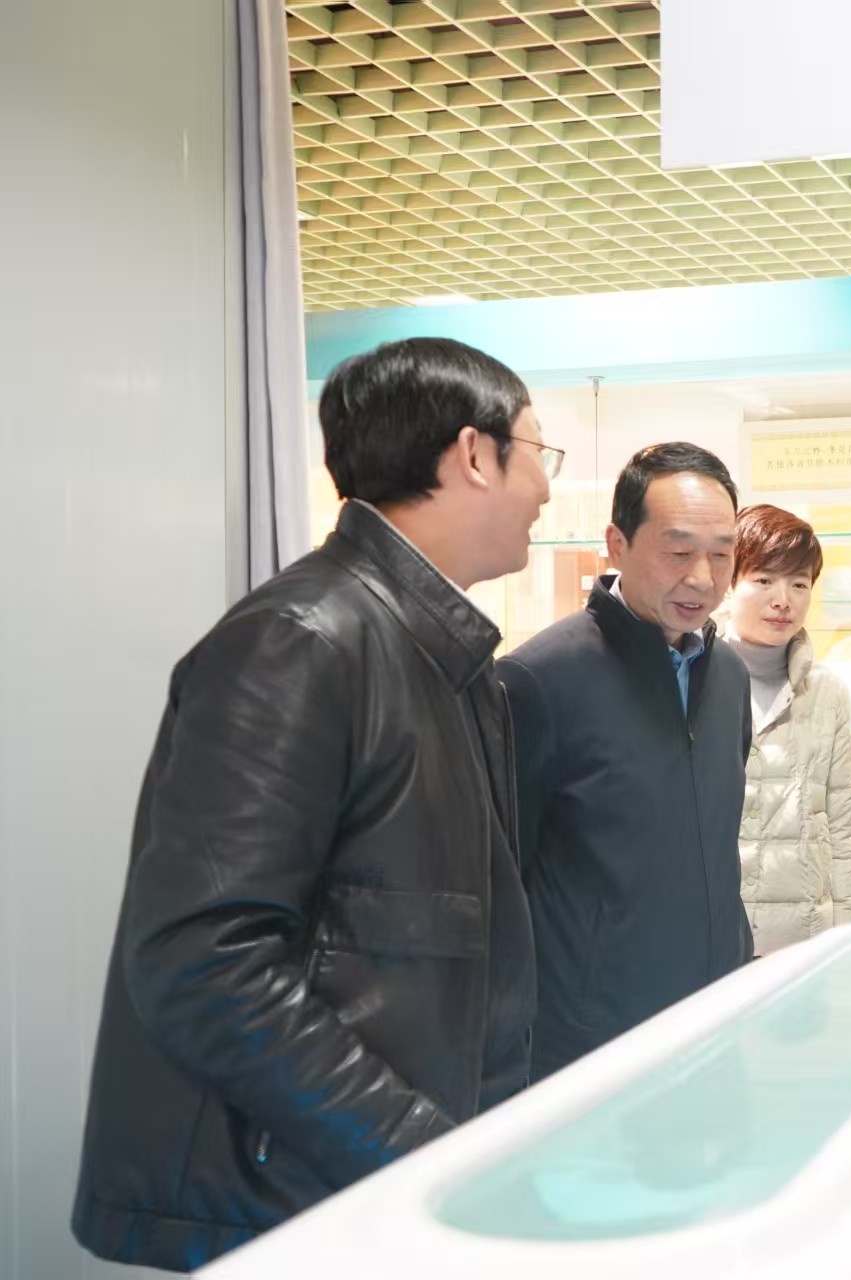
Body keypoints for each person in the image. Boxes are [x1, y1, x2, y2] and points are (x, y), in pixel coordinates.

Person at [71, 337, 554, 1271]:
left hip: (385, 1195)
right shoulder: (302, 641)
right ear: (474, 454)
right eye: (539, 452)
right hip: (295, 1206)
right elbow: (201, 962)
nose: (544, 489)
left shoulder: (450, 663)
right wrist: (421, 1156)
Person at [501, 442, 753, 1081]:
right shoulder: (538, 681)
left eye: (722, 553)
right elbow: (500, 884)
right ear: (617, 544)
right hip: (592, 1046)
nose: (703, 578)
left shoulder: (728, 674)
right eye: (678, 552)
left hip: (717, 1022)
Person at [722, 504, 851, 953]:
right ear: (728, 583)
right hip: (712, 935)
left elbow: (844, 827)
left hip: (803, 941)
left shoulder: (827, 692)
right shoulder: (693, 679)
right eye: (764, 580)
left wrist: (849, 937)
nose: (783, 599)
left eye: (799, 584)